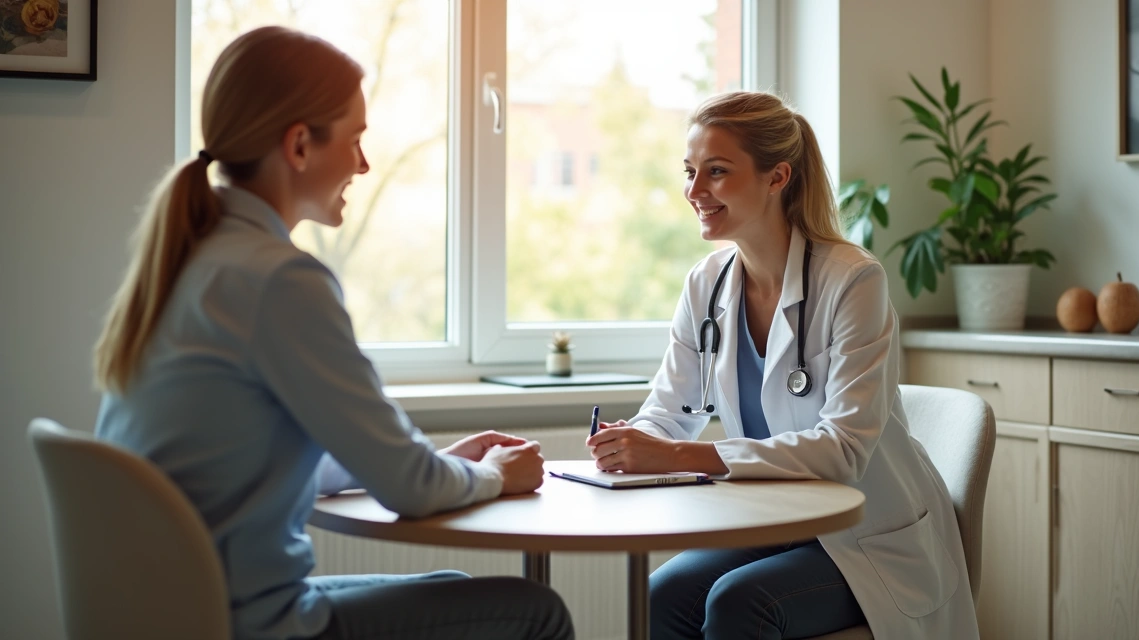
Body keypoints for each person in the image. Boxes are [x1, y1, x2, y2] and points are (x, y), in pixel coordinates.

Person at [92, 26, 574, 640]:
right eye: (356, 140)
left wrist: (435, 463)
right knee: (538, 613)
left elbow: (255, 458)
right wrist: (495, 474)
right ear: (298, 145)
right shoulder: (280, 279)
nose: (364, 163)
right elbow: (411, 492)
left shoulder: (194, 260)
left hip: (177, 610)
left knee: (454, 592)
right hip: (247, 622)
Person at [586, 91, 980, 640]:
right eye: (690, 171)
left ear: (777, 177)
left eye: (717, 172)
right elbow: (668, 415)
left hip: (868, 535)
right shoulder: (707, 283)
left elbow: (842, 450)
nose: (694, 191)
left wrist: (677, 453)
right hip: (777, 520)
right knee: (663, 597)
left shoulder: (852, 280)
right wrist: (631, 442)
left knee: (740, 604)